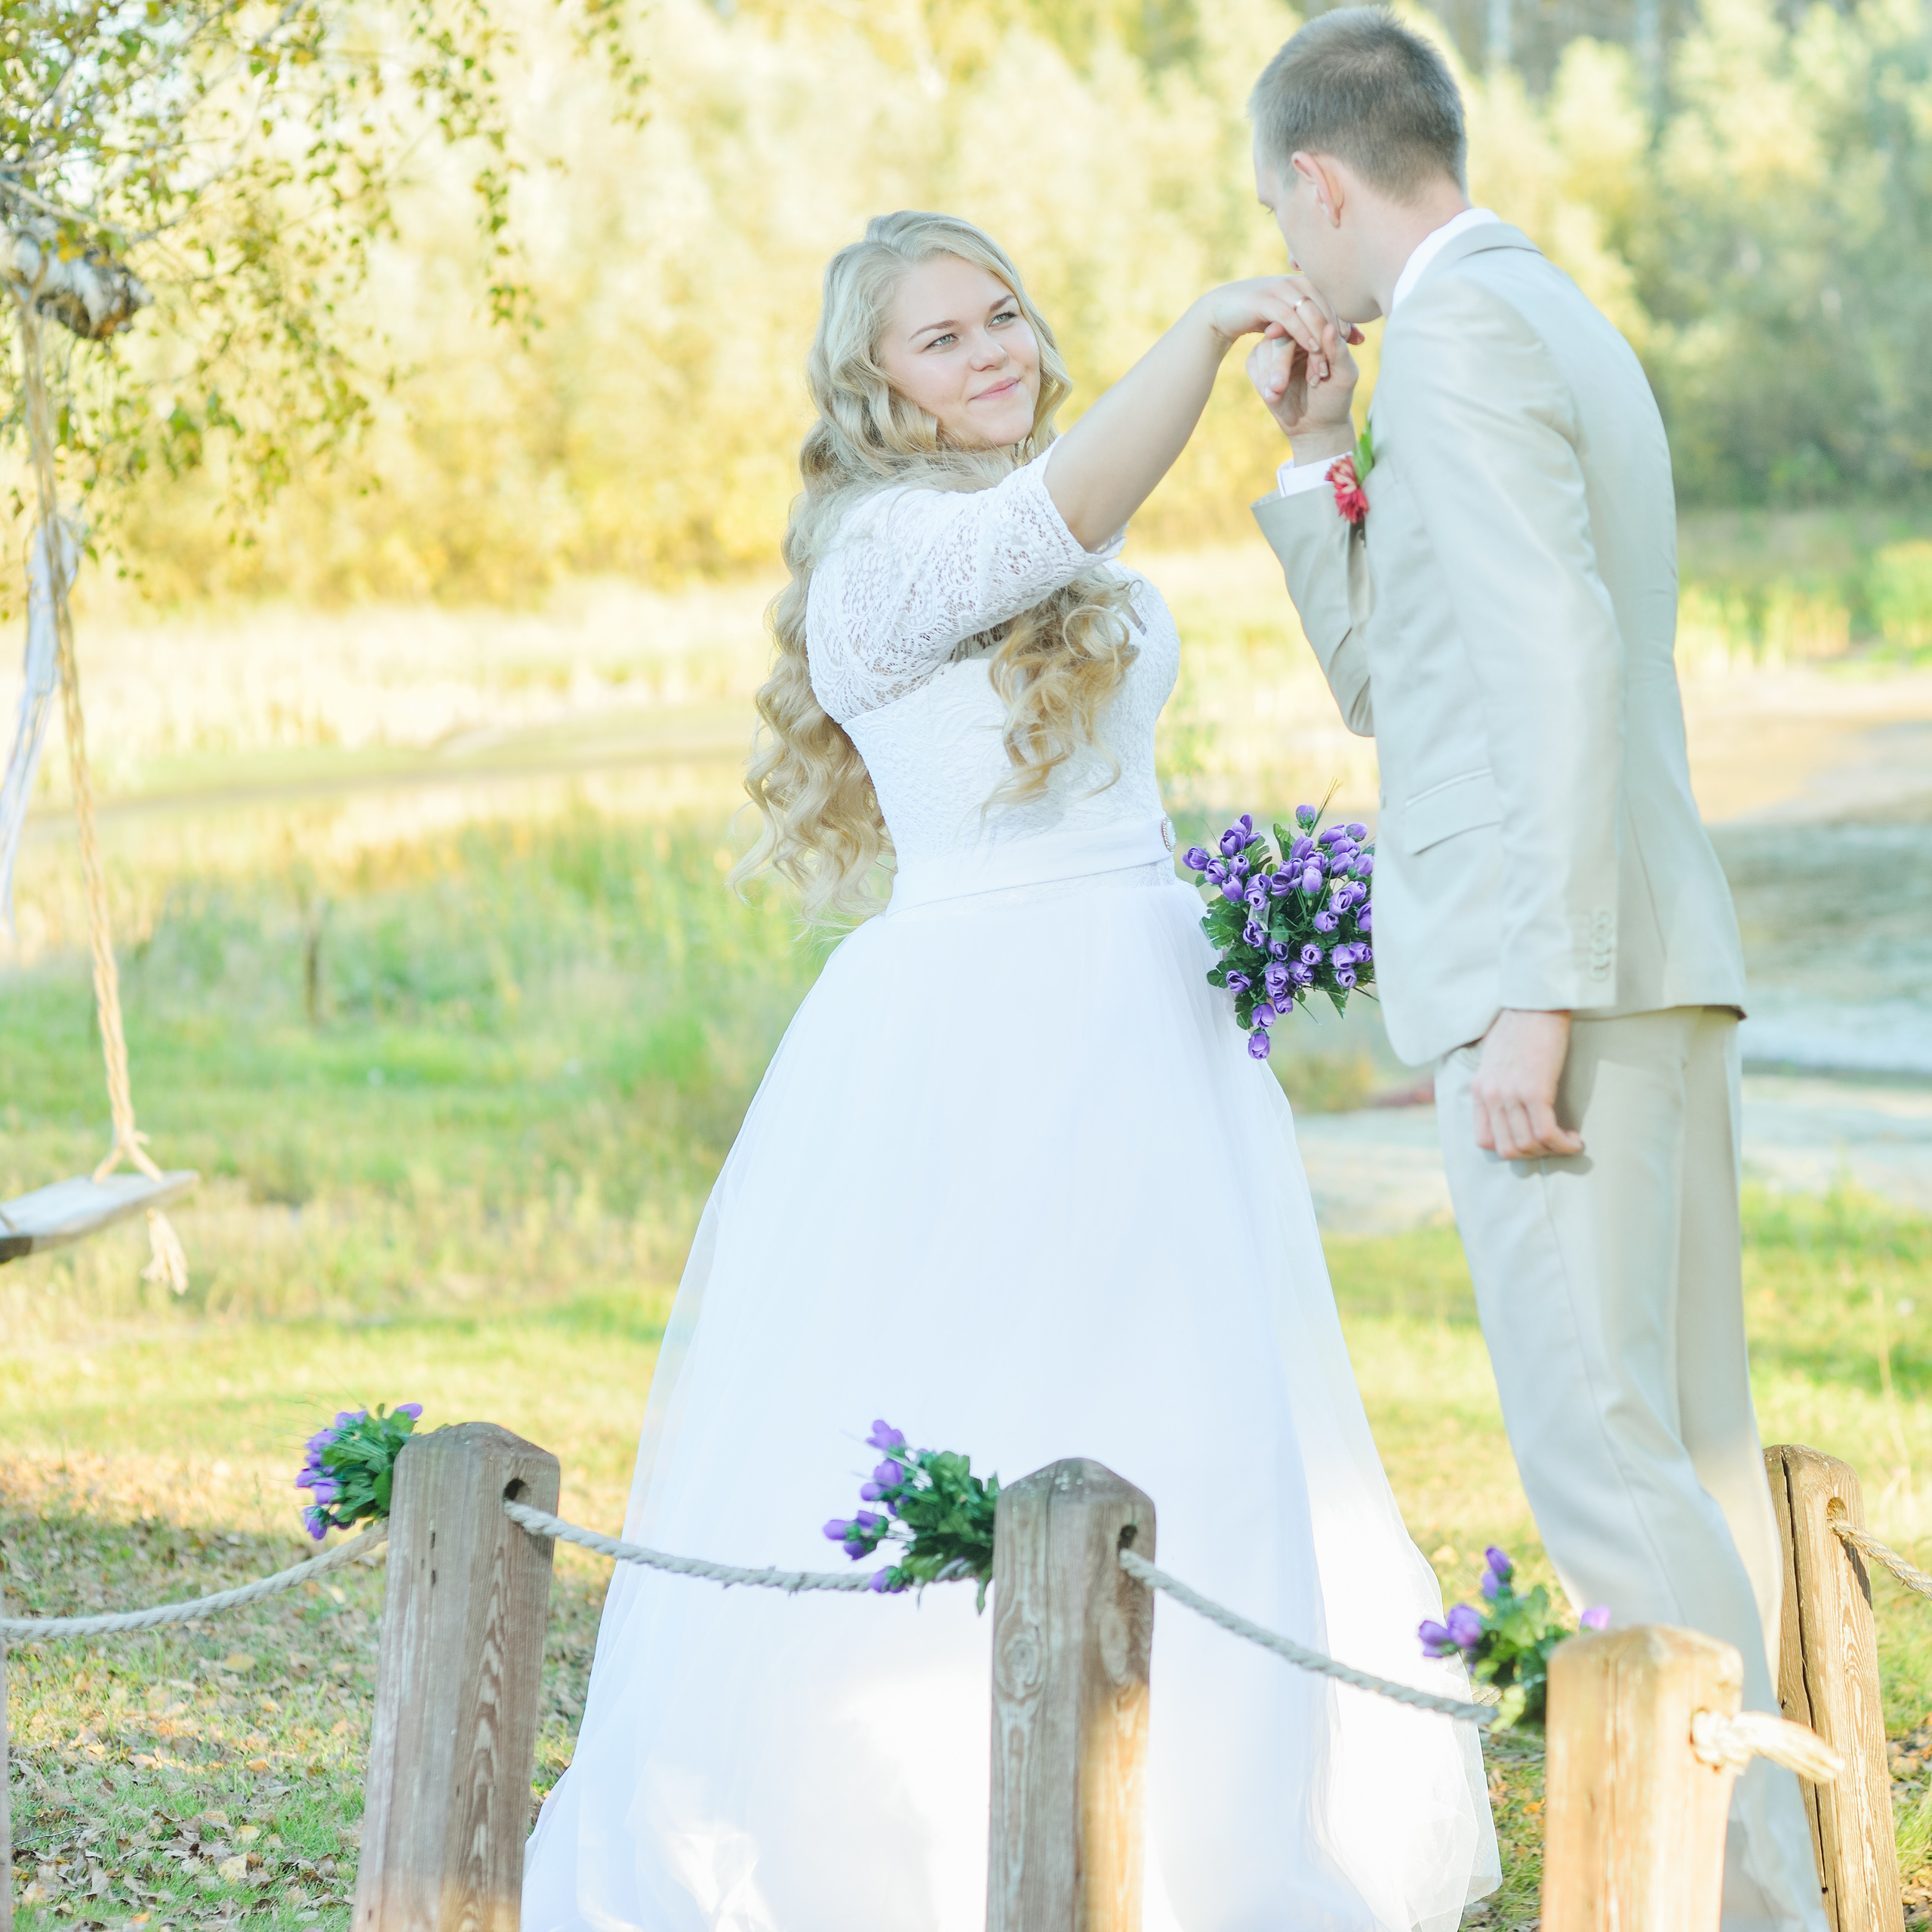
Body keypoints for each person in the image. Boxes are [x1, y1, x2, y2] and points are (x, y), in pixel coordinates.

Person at [521, 208, 1497, 1930]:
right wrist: (1199, 332)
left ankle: (1196, 1826)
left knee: (1187, 1391)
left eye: (1001, 318)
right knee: (989, 1374)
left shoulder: (1021, 513)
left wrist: (1314, 443)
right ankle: (906, 1840)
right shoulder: (882, 558)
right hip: (986, 1028)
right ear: (870, 386)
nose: (990, 353)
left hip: (1151, 1010)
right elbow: (1069, 511)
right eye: (940, 339)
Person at [1242, 12, 1825, 1930]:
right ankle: (1778, 1881)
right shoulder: (1541, 311)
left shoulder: (1473, 334)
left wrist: (1532, 1000)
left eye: (1279, 212)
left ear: (1319, 183)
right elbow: (1408, 685)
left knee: (1603, 1467)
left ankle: (1733, 1902)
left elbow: (1560, 669)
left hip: (1560, 972)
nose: (1290, 256)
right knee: (1685, 1453)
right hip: (1641, 953)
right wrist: (1323, 455)